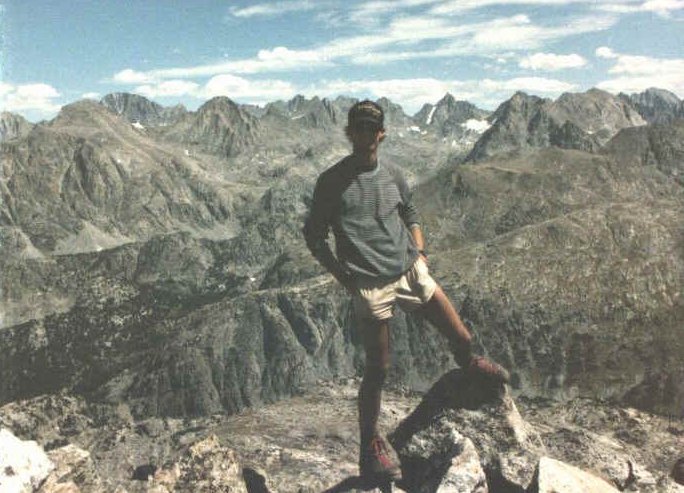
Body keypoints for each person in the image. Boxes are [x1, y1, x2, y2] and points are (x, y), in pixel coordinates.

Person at [303, 100, 510, 482]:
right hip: (370, 285)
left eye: (372, 127)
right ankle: (370, 446)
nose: (366, 134)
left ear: (381, 133)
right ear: (350, 133)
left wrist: (421, 252)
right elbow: (313, 237)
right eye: (359, 127)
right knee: (378, 368)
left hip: (410, 271)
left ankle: (470, 365)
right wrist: (344, 278)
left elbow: (410, 212)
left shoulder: (393, 174)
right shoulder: (331, 182)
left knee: (460, 335)